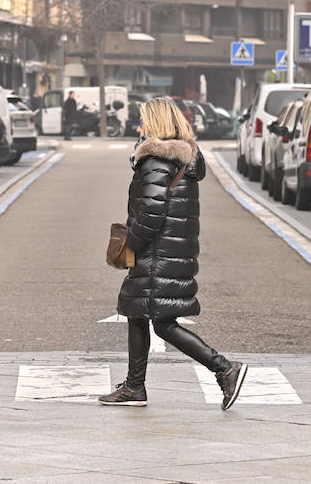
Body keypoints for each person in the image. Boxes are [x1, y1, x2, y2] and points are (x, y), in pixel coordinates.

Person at [99, 97, 248, 410]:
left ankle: (223, 368)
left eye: (143, 120)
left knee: (153, 318)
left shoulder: (155, 160)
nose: (138, 126)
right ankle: (135, 386)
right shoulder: (184, 160)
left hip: (156, 256)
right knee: (144, 315)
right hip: (172, 252)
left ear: (154, 124)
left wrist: (132, 246)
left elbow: (152, 212)